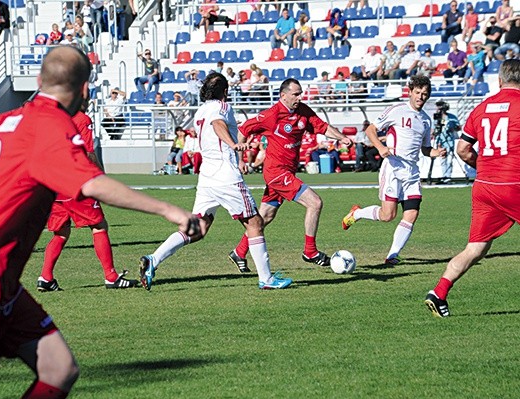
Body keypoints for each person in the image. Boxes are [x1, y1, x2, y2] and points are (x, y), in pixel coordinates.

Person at [0, 46, 200, 399]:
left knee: (59, 369)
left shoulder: (11, 119)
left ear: (39, 81)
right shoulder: (52, 126)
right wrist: (170, 211)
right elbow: (92, 183)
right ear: (85, 90)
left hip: (1, 282)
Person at [139, 72, 292, 291]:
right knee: (255, 223)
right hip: (225, 175)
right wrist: (234, 144)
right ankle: (266, 279)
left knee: (199, 228)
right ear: (225, 91)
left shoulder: (200, 110)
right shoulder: (222, 107)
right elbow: (218, 124)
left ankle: (153, 259)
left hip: (207, 177)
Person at [425, 59, 520, 318]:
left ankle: (439, 291)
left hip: (485, 187)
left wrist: (486, 167)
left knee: (476, 248)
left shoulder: (482, 108)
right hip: (514, 184)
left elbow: (463, 149)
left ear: (499, 81)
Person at [229, 78, 352, 272]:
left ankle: (239, 252)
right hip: (276, 173)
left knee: (265, 217)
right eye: (295, 94)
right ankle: (310, 251)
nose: (299, 97)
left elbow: (322, 127)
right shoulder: (271, 115)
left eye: (300, 93)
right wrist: (241, 159)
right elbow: (243, 130)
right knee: (315, 203)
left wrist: (341, 137)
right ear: (283, 95)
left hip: (287, 171)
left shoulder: (303, 110)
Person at [341, 75, 446, 265]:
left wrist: (435, 152)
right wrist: (381, 148)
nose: (421, 97)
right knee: (387, 215)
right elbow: (371, 130)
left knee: (412, 213)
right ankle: (356, 213)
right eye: (417, 93)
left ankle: (392, 255)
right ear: (410, 92)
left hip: (412, 172)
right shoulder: (397, 111)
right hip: (393, 168)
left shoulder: (425, 120)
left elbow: (424, 149)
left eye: (424, 94)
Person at [37, 105, 139, 292]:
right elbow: (89, 153)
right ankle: (111, 277)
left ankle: (45, 278)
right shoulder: (81, 119)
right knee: (99, 226)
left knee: (61, 232)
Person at [432, 100, 460, 183]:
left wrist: (452, 128)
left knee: (450, 159)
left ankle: (448, 176)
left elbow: (458, 127)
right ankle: (444, 175)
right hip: (440, 140)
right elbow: (434, 129)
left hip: (449, 140)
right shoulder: (437, 118)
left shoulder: (452, 117)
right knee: (442, 158)